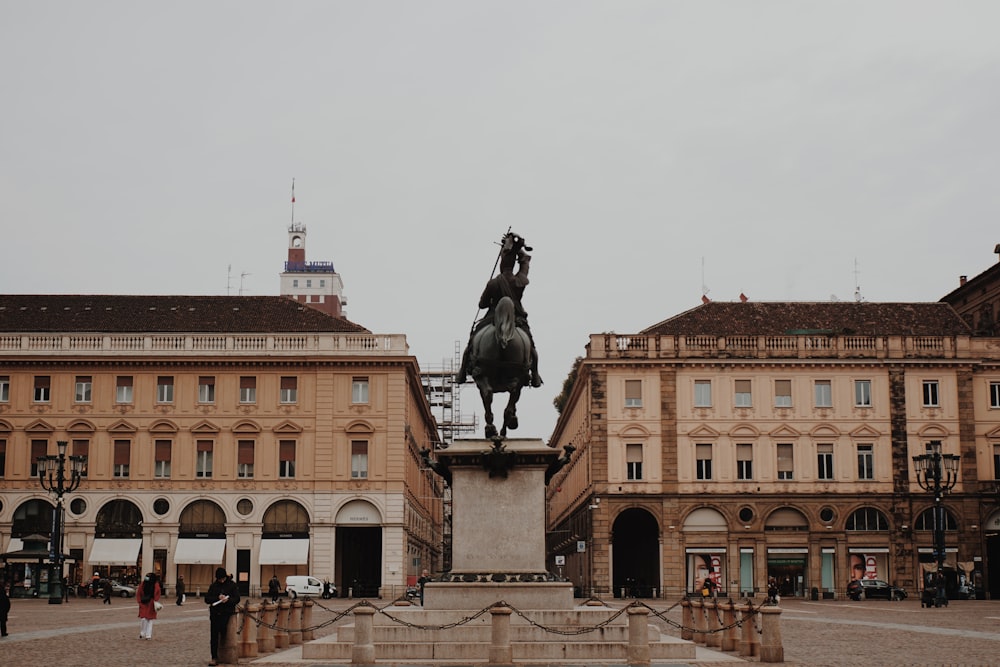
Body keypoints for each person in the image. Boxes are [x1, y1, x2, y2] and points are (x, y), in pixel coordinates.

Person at [456, 232, 542, 388]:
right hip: (517, 319)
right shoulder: (520, 280)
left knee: (471, 343)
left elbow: (482, 305)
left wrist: (510, 248)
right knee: (531, 347)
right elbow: (526, 264)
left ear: (502, 263)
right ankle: (535, 375)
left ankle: (462, 372)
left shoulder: (493, 283)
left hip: (492, 318)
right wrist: (519, 252)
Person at [206, 566, 240, 666]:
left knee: (224, 632)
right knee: (214, 636)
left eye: (222, 579)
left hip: (226, 613)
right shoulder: (214, 585)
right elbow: (207, 599)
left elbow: (237, 598)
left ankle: (226, 655)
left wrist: (228, 600)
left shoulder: (232, 585)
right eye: (219, 579)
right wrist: (217, 597)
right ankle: (214, 657)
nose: (221, 581)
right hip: (215, 613)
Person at [136, 572, 161, 640]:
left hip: (151, 603)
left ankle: (148, 635)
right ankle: (142, 632)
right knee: (143, 618)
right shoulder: (143, 584)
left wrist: (155, 600)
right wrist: (139, 601)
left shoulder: (155, 585)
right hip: (144, 602)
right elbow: (139, 593)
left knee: (150, 620)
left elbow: (158, 593)